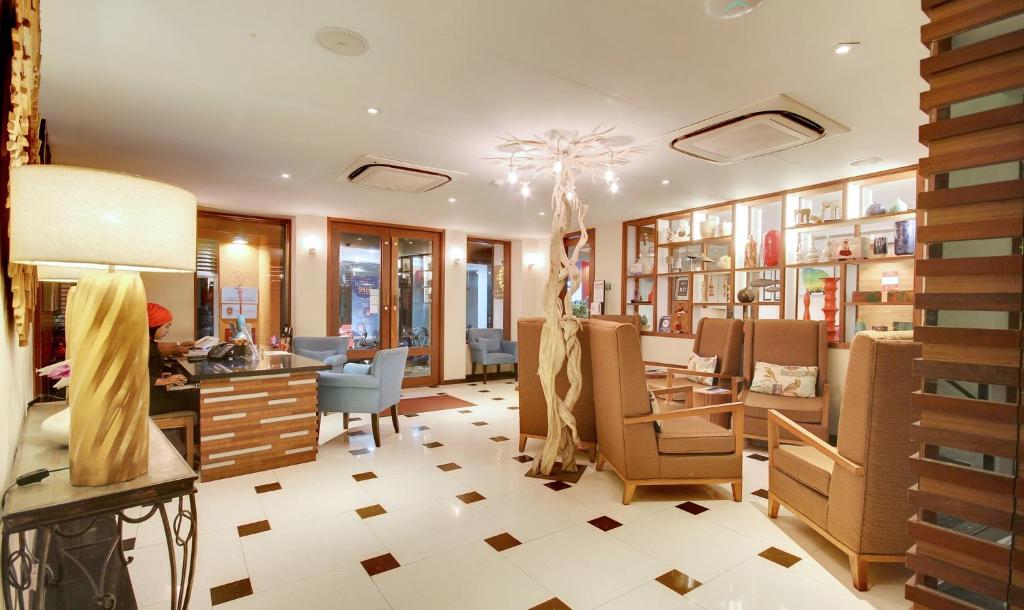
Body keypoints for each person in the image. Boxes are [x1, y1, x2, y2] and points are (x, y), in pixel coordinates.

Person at [147, 302, 197, 416]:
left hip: (150, 393)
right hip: (149, 400)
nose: (168, 330)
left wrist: (163, 374)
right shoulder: (143, 346)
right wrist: (164, 381)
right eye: (166, 326)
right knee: (196, 398)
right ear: (154, 324)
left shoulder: (148, 342)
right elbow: (135, 377)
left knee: (192, 393)